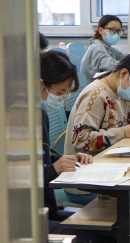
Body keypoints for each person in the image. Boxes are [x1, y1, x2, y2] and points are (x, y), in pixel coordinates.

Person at [63, 51, 130, 204]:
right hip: (83, 180)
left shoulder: (122, 92)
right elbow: (80, 140)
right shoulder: (96, 94)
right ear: (124, 73)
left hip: (108, 171)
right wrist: (122, 132)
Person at [40, 51, 94, 227]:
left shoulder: (41, 115)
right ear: (41, 84)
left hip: (47, 210)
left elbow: (42, 157)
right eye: (60, 92)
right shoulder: (20, 122)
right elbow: (20, 183)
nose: (62, 99)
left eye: (66, 94)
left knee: (108, 229)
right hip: (30, 218)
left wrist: (67, 160)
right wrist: (55, 169)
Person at [80, 15, 126, 82]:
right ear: (100, 30)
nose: (116, 34)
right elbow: (110, 65)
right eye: (112, 30)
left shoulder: (108, 47)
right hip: (92, 89)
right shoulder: (97, 46)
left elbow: (123, 56)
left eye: (118, 31)